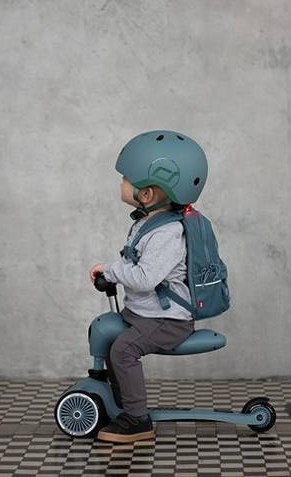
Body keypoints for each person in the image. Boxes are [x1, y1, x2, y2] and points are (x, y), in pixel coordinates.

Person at [88, 129, 208, 443]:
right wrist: (112, 272)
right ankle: (122, 401)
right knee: (111, 340)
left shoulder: (168, 234)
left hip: (167, 321)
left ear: (147, 194)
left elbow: (145, 278)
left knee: (123, 350)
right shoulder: (148, 222)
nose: (121, 183)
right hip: (145, 315)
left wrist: (110, 271)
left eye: (126, 179)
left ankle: (137, 419)